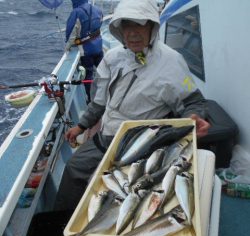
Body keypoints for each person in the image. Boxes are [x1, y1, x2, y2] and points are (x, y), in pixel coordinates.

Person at [54, 0, 210, 211]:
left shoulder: (172, 62)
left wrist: (194, 116)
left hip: (140, 145)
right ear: (119, 30)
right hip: (105, 137)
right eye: (127, 26)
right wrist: (82, 126)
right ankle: (62, 223)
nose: (133, 33)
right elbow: (99, 101)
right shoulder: (112, 57)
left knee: (120, 194)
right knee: (73, 169)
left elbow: (193, 101)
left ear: (152, 27)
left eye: (140, 25)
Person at [65, 0, 104, 102]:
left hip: (86, 51)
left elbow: (72, 32)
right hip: (99, 46)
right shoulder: (97, 9)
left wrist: (67, 47)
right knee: (104, 72)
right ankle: (107, 94)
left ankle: (92, 100)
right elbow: (100, 22)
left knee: (88, 76)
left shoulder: (76, 12)